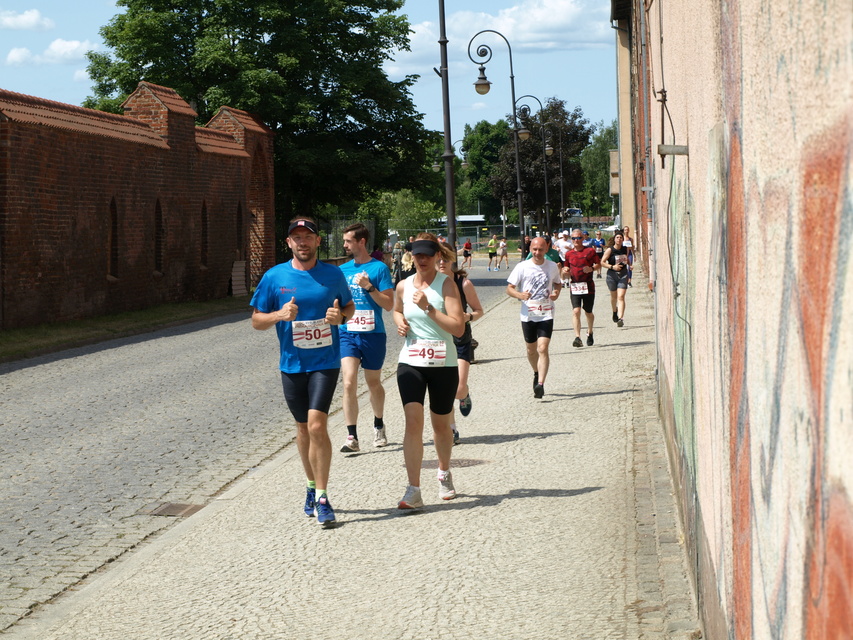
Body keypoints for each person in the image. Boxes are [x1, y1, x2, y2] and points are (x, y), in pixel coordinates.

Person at [250, 217, 355, 529]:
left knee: (317, 424)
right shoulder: (274, 277)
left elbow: (348, 308)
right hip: (292, 364)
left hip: (325, 361)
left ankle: (322, 497)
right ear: (289, 243)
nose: (302, 242)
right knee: (302, 428)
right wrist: (279, 315)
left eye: (308, 237)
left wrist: (340, 317)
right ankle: (310, 485)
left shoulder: (333, 274)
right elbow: (256, 320)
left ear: (318, 241)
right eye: (296, 237)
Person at [393, 233, 466, 509]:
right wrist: (400, 322)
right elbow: (396, 310)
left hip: (443, 363)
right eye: (417, 255)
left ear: (437, 256)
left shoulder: (446, 285)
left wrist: (429, 308)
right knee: (413, 421)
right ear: (412, 257)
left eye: (427, 255)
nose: (422, 259)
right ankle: (413, 489)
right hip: (411, 360)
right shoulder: (403, 285)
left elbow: (458, 328)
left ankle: (444, 472)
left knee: (440, 425)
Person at [338, 223, 395, 454]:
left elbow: (389, 304)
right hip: (347, 332)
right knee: (348, 382)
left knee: (373, 383)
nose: (344, 245)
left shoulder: (379, 269)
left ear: (361, 242)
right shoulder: (342, 270)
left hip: (373, 334)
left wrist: (369, 287)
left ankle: (378, 424)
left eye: (348, 241)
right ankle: (352, 436)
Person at [437, 243, 484, 445]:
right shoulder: (429, 283)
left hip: (460, 339)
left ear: (452, 260)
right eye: (438, 258)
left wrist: (468, 317)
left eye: (445, 259)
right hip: (438, 341)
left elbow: (479, 310)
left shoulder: (463, 283)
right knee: (444, 391)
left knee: (458, 388)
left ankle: (464, 395)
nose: (441, 263)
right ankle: (452, 430)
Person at [506, 236, 563, 398]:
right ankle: (536, 372)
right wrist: (519, 294)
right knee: (531, 350)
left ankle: (541, 384)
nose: (537, 253)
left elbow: (558, 283)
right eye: (535, 249)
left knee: (542, 348)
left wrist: (556, 293)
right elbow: (509, 288)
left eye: (541, 250)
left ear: (547, 249)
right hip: (528, 314)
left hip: (546, 313)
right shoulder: (522, 267)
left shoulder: (552, 266)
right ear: (530, 249)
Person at [561, 229, 600, 347]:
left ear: (582, 238)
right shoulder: (569, 254)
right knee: (576, 311)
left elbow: (598, 264)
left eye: (578, 238)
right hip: (575, 286)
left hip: (588, 286)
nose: (576, 240)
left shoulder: (590, 251)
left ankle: (590, 331)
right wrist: (565, 271)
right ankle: (577, 337)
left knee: (588, 312)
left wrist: (591, 269)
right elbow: (566, 268)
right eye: (573, 238)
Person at [602, 230, 630, 327]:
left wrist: (630, 265)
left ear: (623, 239)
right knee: (614, 297)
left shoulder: (625, 249)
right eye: (617, 237)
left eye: (621, 238)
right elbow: (602, 262)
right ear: (614, 239)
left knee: (621, 296)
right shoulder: (610, 250)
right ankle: (614, 311)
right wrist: (612, 267)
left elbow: (626, 259)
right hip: (612, 275)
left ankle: (621, 318)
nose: (619, 239)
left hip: (623, 274)